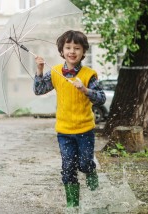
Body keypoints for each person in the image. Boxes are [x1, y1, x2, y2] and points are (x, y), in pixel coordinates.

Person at [33, 30, 106, 209]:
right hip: (64, 132)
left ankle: (94, 192)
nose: (72, 51)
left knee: (85, 164)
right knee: (68, 169)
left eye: (77, 48)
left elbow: (102, 98)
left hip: (85, 130)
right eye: (68, 47)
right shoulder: (56, 72)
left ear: (83, 52)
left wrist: (85, 90)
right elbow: (39, 90)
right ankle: (72, 206)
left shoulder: (89, 74)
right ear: (61, 50)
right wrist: (40, 70)